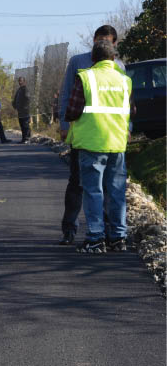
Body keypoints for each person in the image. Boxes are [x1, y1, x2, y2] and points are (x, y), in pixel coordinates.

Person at [56, 25, 126, 245]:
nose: (103, 43)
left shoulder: (120, 69)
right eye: (100, 40)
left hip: (108, 136)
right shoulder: (78, 63)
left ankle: (101, 234)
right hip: (87, 137)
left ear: (114, 44)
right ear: (94, 40)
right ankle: (72, 229)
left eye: (108, 40)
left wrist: (129, 128)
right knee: (80, 184)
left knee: (103, 188)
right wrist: (64, 124)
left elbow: (125, 104)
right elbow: (67, 93)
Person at [12, 77, 31, 143]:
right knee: (22, 125)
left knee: (25, 125)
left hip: (25, 111)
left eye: (21, 81)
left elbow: (27, 99)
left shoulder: (25, 89)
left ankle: (27, 139)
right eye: (19, 81)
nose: (20, 82)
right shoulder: (19, 89)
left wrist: (24, 107)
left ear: (24, 81)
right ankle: (23, 139)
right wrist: (14, 105)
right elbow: (15, 98)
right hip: (20, 111)